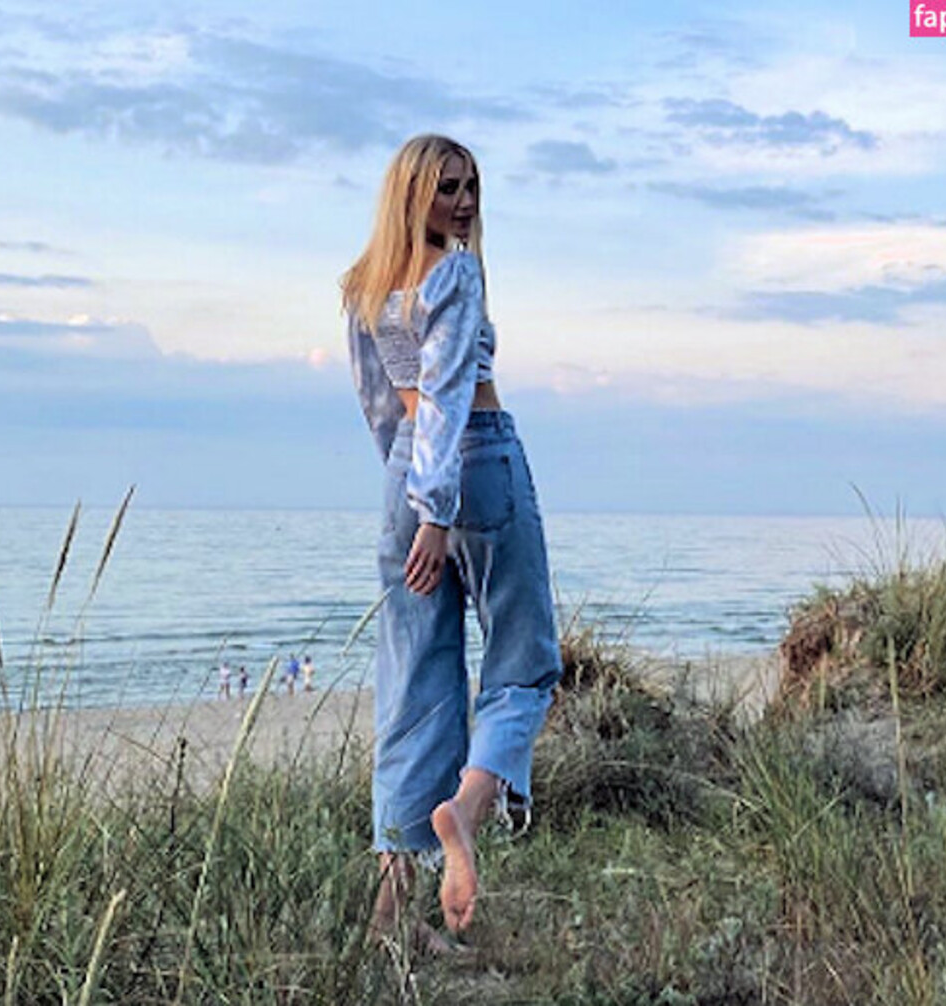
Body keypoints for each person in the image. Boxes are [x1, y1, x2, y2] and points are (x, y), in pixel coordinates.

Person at [342, 134, 561, 949]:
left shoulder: (364, 285)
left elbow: (380, 404)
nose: (463, 203)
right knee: (523, 663)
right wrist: (436, 513)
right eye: (446, 188)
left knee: (413, 688)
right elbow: (445, 391)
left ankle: (390, 919)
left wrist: (409, 495)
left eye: (470, 187)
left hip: (407, 470)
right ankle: (464, 813)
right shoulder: (456, 275)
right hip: (475, 460)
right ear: (411, 193)